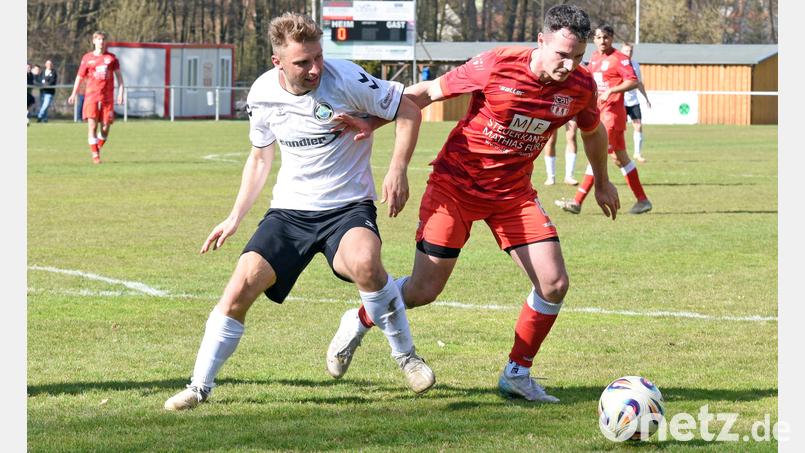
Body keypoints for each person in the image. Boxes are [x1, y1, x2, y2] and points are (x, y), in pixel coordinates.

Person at [325, 4, 619, 403]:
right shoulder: (497, 64)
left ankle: (517, 373)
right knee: (423, 291)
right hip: (454, 189)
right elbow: (426, 92)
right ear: (542, 41)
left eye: (577, 57)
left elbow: (593, 130)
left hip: (513, 196)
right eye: (562, 55)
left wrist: (602, 182)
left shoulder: (581, 86)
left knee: (554, 284)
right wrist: (372, 121)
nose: (569, 65)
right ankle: (359, 319)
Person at [163, 12, 434, 412]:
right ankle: (199, 386)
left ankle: (407, 358)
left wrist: (397, 169)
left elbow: (408, 108)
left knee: (367, 264)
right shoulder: (261, 93)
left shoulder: (346, 78)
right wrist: (235, 216)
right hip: (289, 213)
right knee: (239, 288)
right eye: (302, 63)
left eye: (318, 57)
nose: (314, 69)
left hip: (347, 207)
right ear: (278, 63)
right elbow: (259, 158)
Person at [555, 23, 652, 215]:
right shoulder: (594, 58)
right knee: (619, 158)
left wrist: (612, 91)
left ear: (612, 38)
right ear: (594, 39)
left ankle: (577, 201)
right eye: (599, 37)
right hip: (600, 113)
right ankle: (642, 200)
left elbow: (633, 81)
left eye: (606, 37)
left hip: (612, 116)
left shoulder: (620, 59)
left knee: (597, 157)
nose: (602, 41)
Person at [67, 31, 124, 164]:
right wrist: (73, 93)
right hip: (91, 96)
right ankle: (95, 156)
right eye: (98, 39)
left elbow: (119, 78)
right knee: (92, 126)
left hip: (107, 97)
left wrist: (121, 93)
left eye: (103, 39)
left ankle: (96, 148)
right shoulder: (87, 58)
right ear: (94, 41)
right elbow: (79, 77)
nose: (101, 42)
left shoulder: (112, 58)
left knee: (105, 128)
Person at [620, 43, 651, 163]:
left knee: (638, 126)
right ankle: (619, 152)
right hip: (620, 101)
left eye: (630, 51)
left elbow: (639, 83)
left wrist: (646, 98)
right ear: (622, 51)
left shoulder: (635, 65)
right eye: (626, 51)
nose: (628, 53)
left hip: (633, 102)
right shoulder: (617, 64)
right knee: (620, 129)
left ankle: (637, 153)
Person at [542, 118, 579, 186]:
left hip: (570, 109)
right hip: (553, 110)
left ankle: (569, 176)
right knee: (550, 140)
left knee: (572, 137)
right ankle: (550, 177)